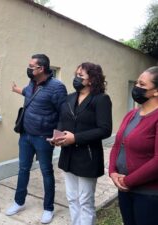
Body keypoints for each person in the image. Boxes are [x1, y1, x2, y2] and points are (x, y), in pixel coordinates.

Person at [6, 54, 67, 224]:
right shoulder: (32, 83)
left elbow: (64, 114)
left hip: (44, 138)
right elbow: (28, 94)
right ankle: (19, 202)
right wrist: (16, 89)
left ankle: (48, 208)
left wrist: (57, 137)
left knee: (46, 172)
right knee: (23, 169)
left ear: (41, 69)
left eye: (31, 66)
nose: (29, 68)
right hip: (26, 135)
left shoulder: (57, 87)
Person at [54, 62, 112, 225]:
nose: (76, 78)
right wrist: (58, 135)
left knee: (85, 201)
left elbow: (104, 129)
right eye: (76, 74)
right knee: (72, 199)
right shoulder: (70, 97)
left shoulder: (101, 99)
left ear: (92, 79)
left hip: (88, 156)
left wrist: (76, 138)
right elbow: (62, 119)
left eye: (81, 76)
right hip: (68, 155)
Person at [109, 66, 158, 225]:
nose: (136, 87)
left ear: (156, 91)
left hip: (148, 194)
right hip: (124, 190)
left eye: (142, 85)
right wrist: (112, 172)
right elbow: (117, 145)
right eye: (137, 83)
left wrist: (127, 181)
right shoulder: (131, 114)